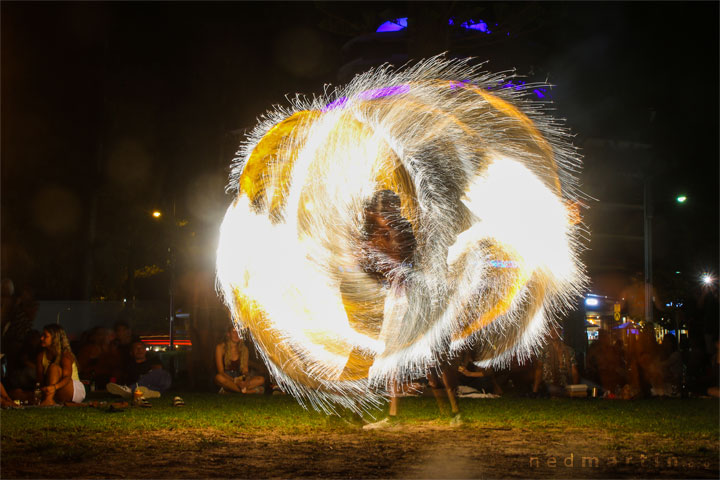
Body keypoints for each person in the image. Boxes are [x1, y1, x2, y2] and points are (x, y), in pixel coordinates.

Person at [360, 190, 460, 428]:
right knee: (395, 352)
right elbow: (383, 267)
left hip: (411, 296)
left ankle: (453, 412)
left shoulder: (399, 227)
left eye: (381, 208)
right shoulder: (388, 229)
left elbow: (398, 259)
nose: (379, 212)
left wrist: (374, 249)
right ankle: (399, 415)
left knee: (431, 356)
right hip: (400, 293)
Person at [10, 324, 85, 405]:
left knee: (53, 368)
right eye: (42, 335)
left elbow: (67, 378)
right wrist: (39, 392)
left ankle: (48, 400)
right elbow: (40, 380)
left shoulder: (65, 355)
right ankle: (49, 399)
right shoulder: (41, 356)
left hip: (71, 389)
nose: (41, 338)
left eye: (45, 336)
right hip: (52, 390)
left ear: (54, 339)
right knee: (16, 393)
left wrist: (54, 387)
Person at [106, 341, 171, 399]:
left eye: (141, 348)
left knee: (163, 375)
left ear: (145, 350)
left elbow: (158, 373)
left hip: (152, 383)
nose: (139, 350)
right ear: (131, 352)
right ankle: (149, 393)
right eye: (136, 348)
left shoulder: (153, 361)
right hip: (141, 386)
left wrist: (148, 375)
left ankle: (131, 390)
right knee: (142, 388)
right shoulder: (128, 365)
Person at [214, 325, 265, 394]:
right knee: (218, 378)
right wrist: (235, 381)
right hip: (227, 378)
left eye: (239, 332)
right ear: (228, 334)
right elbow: (221, 371)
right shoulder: (220, 347)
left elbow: (245, 371)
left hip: (239, 378)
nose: (237, 335)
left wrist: (246, 379)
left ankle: (231, 390)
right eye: (234, 332)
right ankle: (246, 391)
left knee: (261, 379)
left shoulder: (244, 350)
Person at [532, 328, 579, 397]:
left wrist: (575, 388)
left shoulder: (569, 350)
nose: (553, 333)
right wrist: (535, 390)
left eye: (556, 330)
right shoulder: (544, 349)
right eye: (551, 331)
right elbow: (539, 369)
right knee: (554, 391)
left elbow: (574, 370)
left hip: (565, 383)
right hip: (549, 383)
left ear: (560, 332)